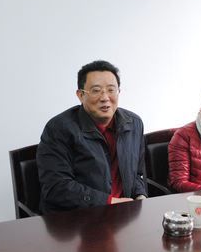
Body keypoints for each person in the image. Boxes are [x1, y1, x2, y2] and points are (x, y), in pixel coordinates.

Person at [37, 60, 147, 214]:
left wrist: (140, 196)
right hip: (75, 219)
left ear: (119, 92)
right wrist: (109, 202)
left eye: (111, 90)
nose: (105, 97)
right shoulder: (58, 129)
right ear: (80, 95)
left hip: (123, 214)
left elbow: (136, 174)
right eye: (96, 90)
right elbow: (56, 187)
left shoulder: (134, 124)